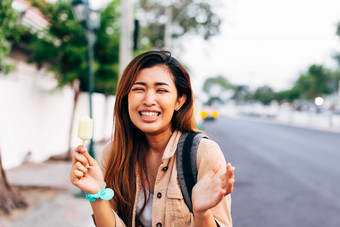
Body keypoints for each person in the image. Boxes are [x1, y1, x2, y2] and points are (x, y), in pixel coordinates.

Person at [70, 50, 235, 227]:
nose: (149, 100)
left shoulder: (203, 153)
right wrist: (96, 194)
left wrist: (202, 213)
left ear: (179, 101)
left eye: (161, 90)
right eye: (139, 89)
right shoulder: (113, 152)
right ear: (126, 98)